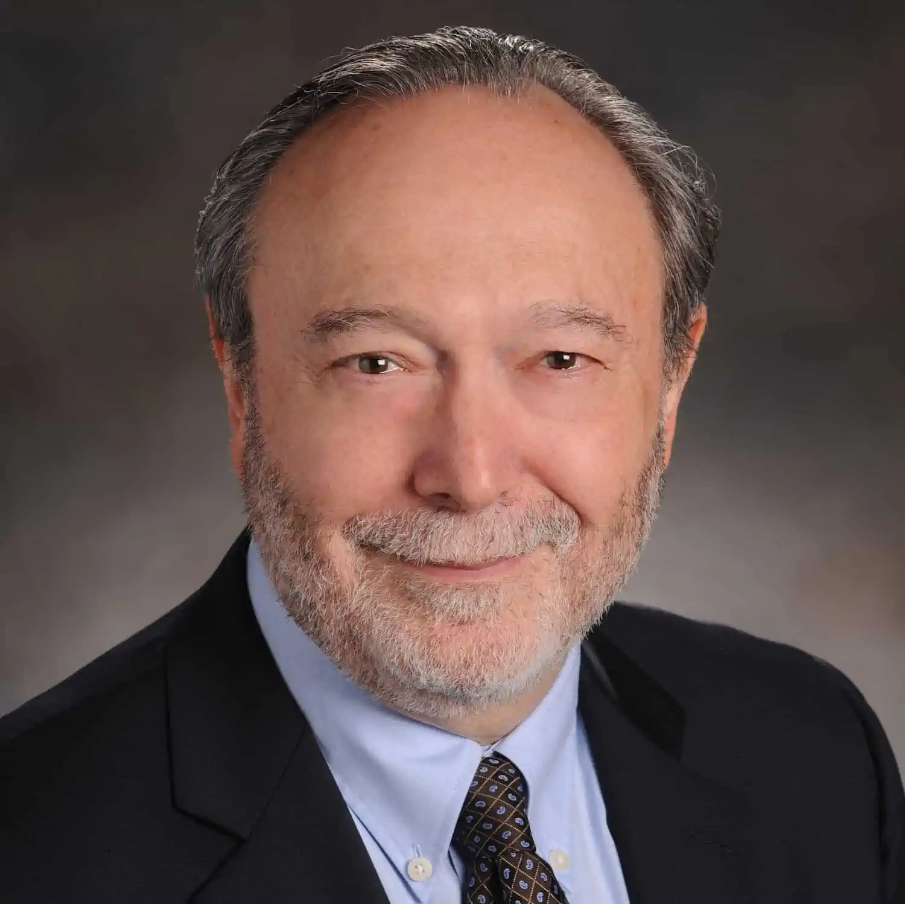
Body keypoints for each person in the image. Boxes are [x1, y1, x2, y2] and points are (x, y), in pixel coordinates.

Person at [2, 24, 902, 904]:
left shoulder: (813, 752)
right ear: (241, 383)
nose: (469, 478)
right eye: (375, 363)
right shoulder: (31, 851)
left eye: (559, 359)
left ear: (670, 383)